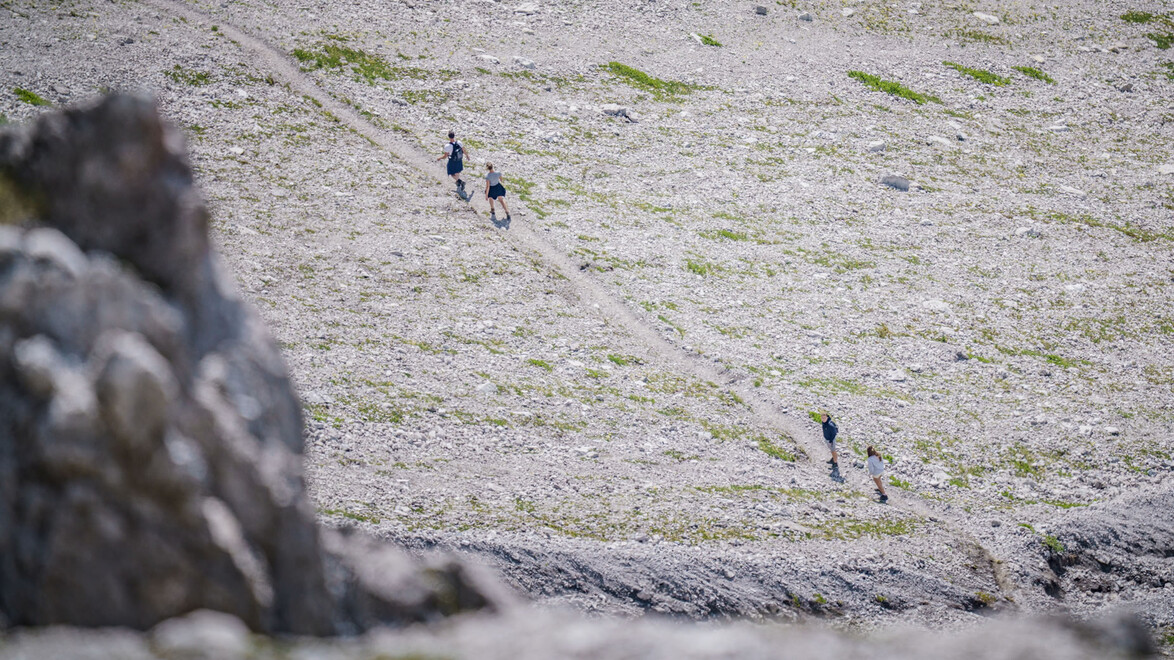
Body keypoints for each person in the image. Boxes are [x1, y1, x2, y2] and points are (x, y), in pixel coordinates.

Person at [437, 130, 466, 194]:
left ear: (449, 137)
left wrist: (439, 158)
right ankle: (458, 185)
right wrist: (467, 156)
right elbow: (463, 150)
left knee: (451, 173)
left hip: (452, 161)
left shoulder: (447, 146)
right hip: (459, 160)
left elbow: (445, 156)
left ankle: (460, 182)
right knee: (457, 172)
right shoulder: (459, 142)